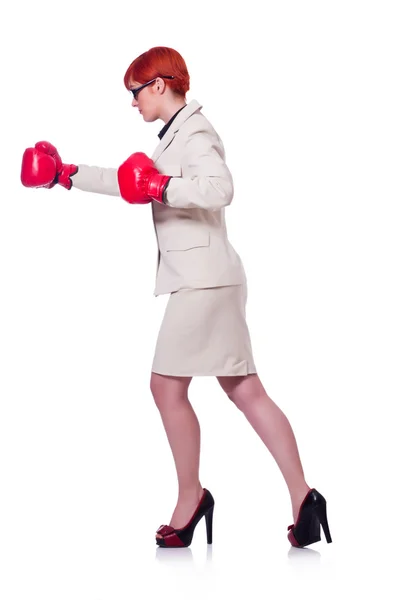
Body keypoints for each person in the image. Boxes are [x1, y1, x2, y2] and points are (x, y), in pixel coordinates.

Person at [20, 46, 332, 550]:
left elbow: (220, 188)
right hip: (213, 278)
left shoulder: (198, 133)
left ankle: (192, 498)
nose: (133, 102)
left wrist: (163, 186)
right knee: (246, 391)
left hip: (204, 282)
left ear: (160, 85)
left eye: (135, 92)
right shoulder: (173, 139)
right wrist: (66, 174)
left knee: (166, 387)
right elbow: (130, 184)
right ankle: (305, 497)